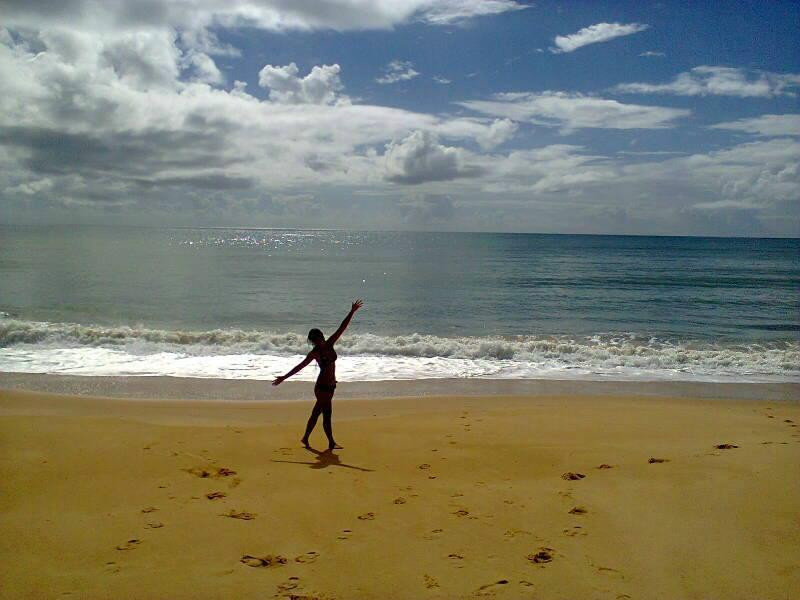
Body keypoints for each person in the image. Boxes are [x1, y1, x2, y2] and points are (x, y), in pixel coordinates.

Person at [273, 299, 363, 449]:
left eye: (319, 338)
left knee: (317, 412)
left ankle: (305, 438)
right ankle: (331, 442)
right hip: (322, 388)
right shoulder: (314, 353)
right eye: (316, 340)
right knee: (327, 414)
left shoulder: (330, 343)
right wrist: (283, 377)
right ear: (313, 341)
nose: (319, 341)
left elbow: (342, 328)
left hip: (331, 386)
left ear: (322, 337)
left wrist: (352, 312)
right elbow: (299, 367)